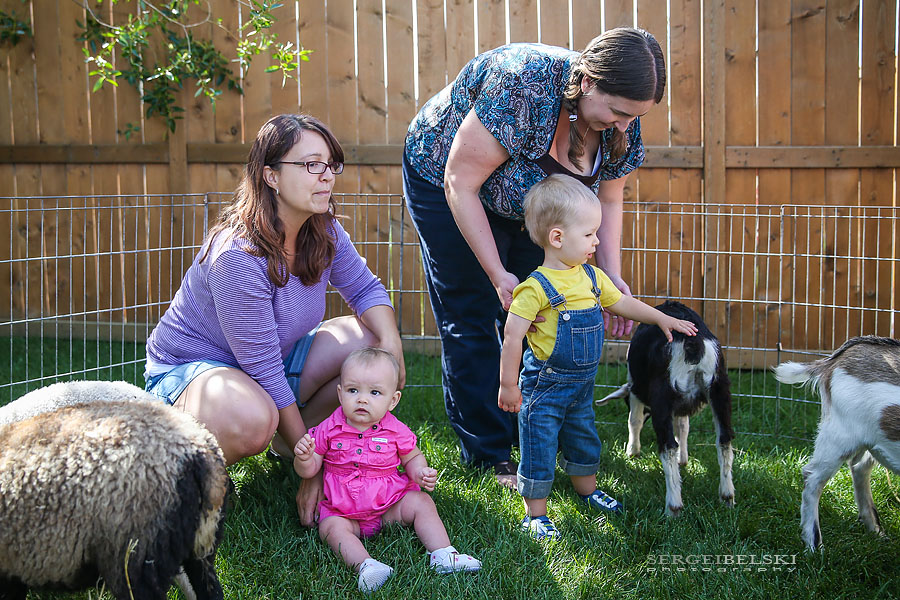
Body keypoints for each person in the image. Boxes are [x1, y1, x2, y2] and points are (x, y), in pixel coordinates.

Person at [402, 27, 666, 486]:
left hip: (531, 205)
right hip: (447, 184)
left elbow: (608, 200)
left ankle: (530, 431)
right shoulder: (522, 84)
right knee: (472, 313)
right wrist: (497, 272)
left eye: (635, 116)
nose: (626, 125)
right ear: (587, 83)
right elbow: (460, 183)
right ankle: (489, 453)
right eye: (620, 113)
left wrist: (612, 276)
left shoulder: (622, 117)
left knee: (539, 313)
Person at [143, 114, 404, 525]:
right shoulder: (237, 256)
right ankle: (172, 475)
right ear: (271, 176)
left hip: (265, 367)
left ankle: (290, 445)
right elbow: (262, 368)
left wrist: (392, 349)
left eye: (331, 164)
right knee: (251, 419)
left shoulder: (324, 230)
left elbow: (366, 290)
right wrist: (313, 468)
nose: (327, 177)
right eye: (311, 165)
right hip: (195, 374)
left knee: (365, 341)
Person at [498, 175, 698, 539]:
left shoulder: (591, 277)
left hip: (580, 386)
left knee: (584, 437)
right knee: (539, 443)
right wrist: (509, 386)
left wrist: (661, 317)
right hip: (544, 386)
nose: (597, 240)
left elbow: (623, 303)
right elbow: (512, 339)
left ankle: (587, 491)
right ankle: (535, 513)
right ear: (558, 237)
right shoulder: (534, 288)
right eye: (589, 233)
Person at [294, 347, 481, 593]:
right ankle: (366, 566)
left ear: (393, 400)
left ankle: (443, 554)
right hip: (344, 511)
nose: (362, 399)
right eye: (353, 390)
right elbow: (308, 471)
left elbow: (412, 456)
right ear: (340, 395)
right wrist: (305, 458)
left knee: (421, 503)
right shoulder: (328, 428)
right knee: (330, 528)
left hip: (388, 507)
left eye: (374, 392)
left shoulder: (396, 430)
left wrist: (420, 473)